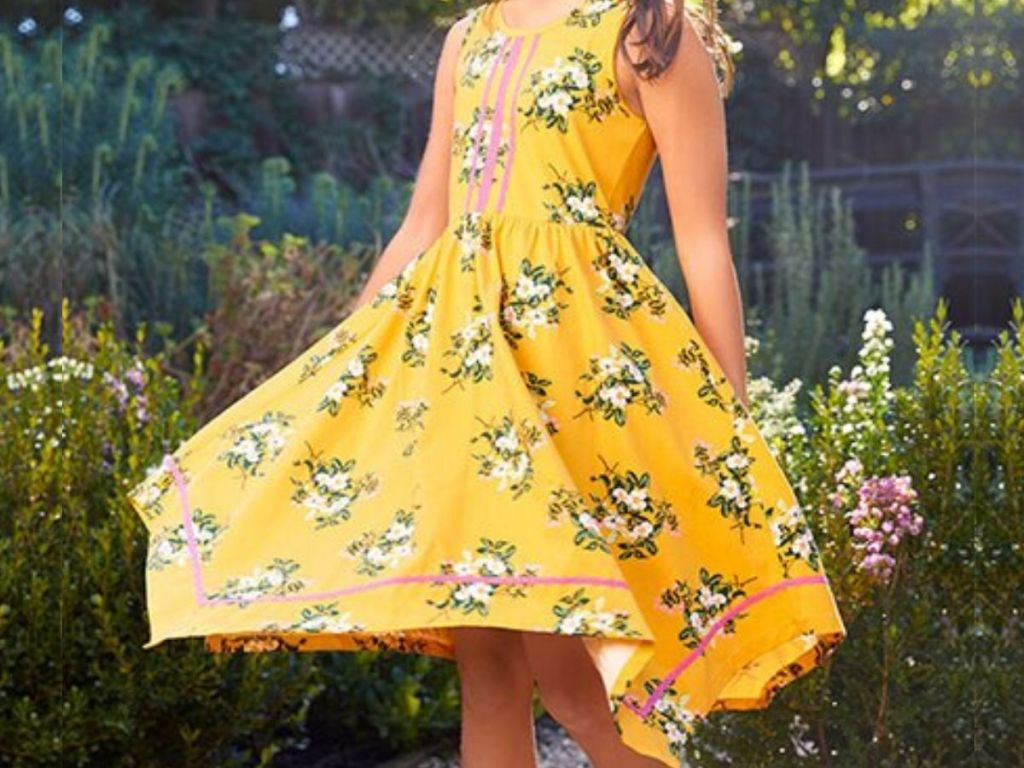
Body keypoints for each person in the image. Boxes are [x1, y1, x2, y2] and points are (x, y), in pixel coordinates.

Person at [128, 1, 848, 765]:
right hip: (463, 375)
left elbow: (704, 241)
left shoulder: (649, 30)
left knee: (581, 687)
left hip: (573, 376)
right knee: (490, 673)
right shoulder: (469, 37)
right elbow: (426, 221)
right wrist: (346, 360)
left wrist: (726, 422)